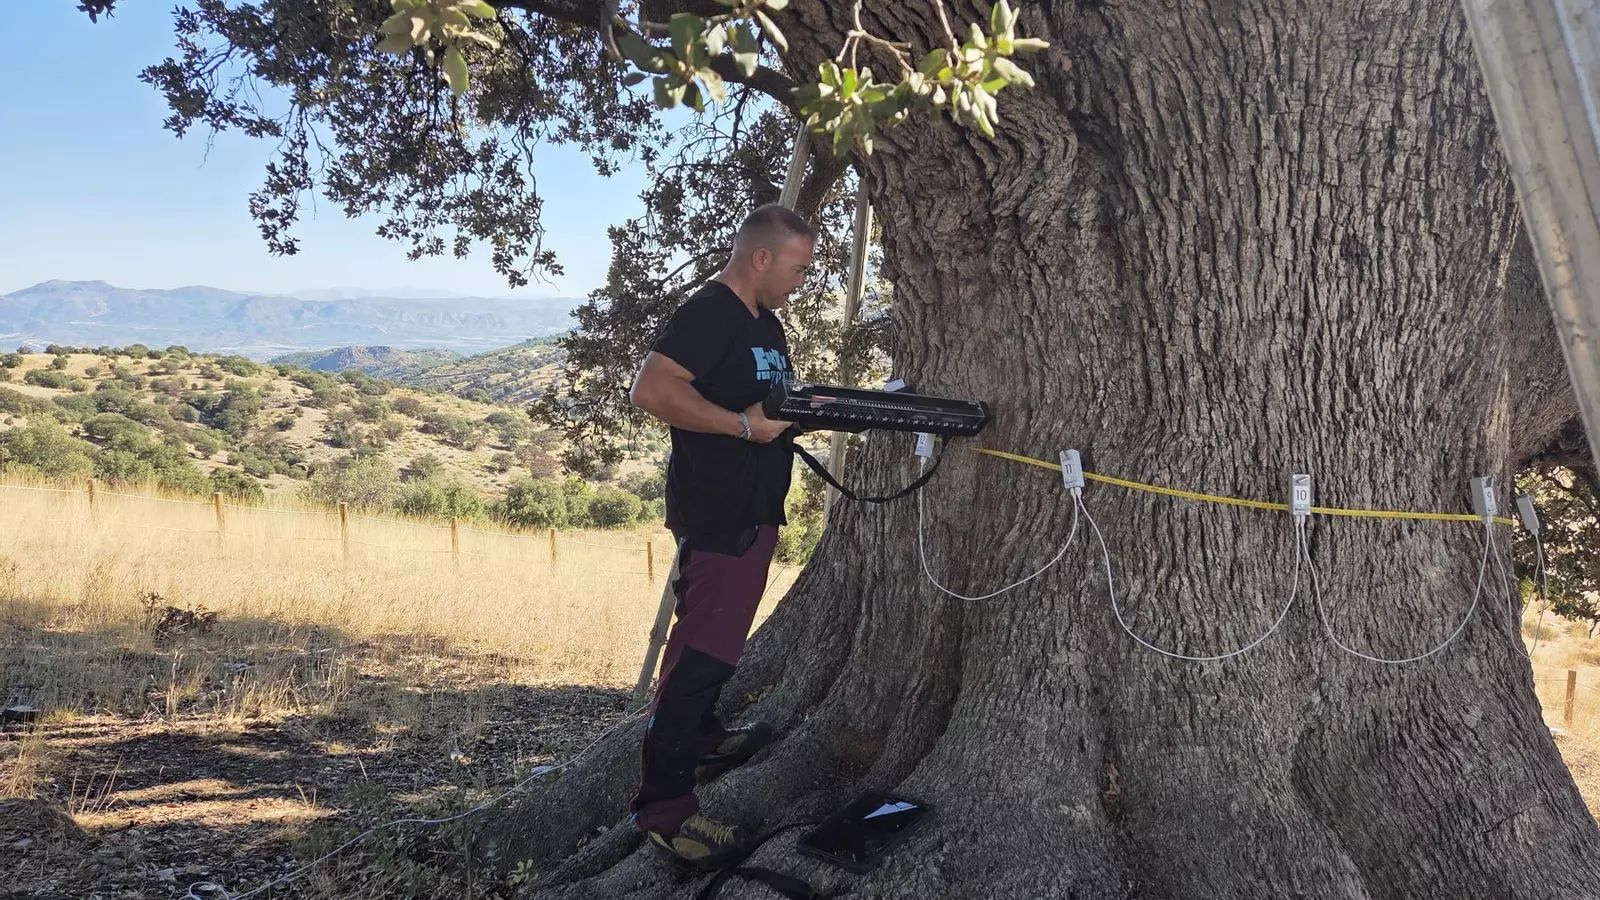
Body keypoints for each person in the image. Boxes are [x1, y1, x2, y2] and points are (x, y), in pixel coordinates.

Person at [626, 203, 816, 868]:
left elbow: (764, 403)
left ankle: (702, 740)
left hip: (753, 508)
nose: (803, 280)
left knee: (712, 644)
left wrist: (797, 410)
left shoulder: (766, 323)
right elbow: (651, 389)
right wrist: (741, 428)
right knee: (703, 655)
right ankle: (666, 810)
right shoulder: (709, 311)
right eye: (797, 267)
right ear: (760, 257)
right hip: (719, 512)